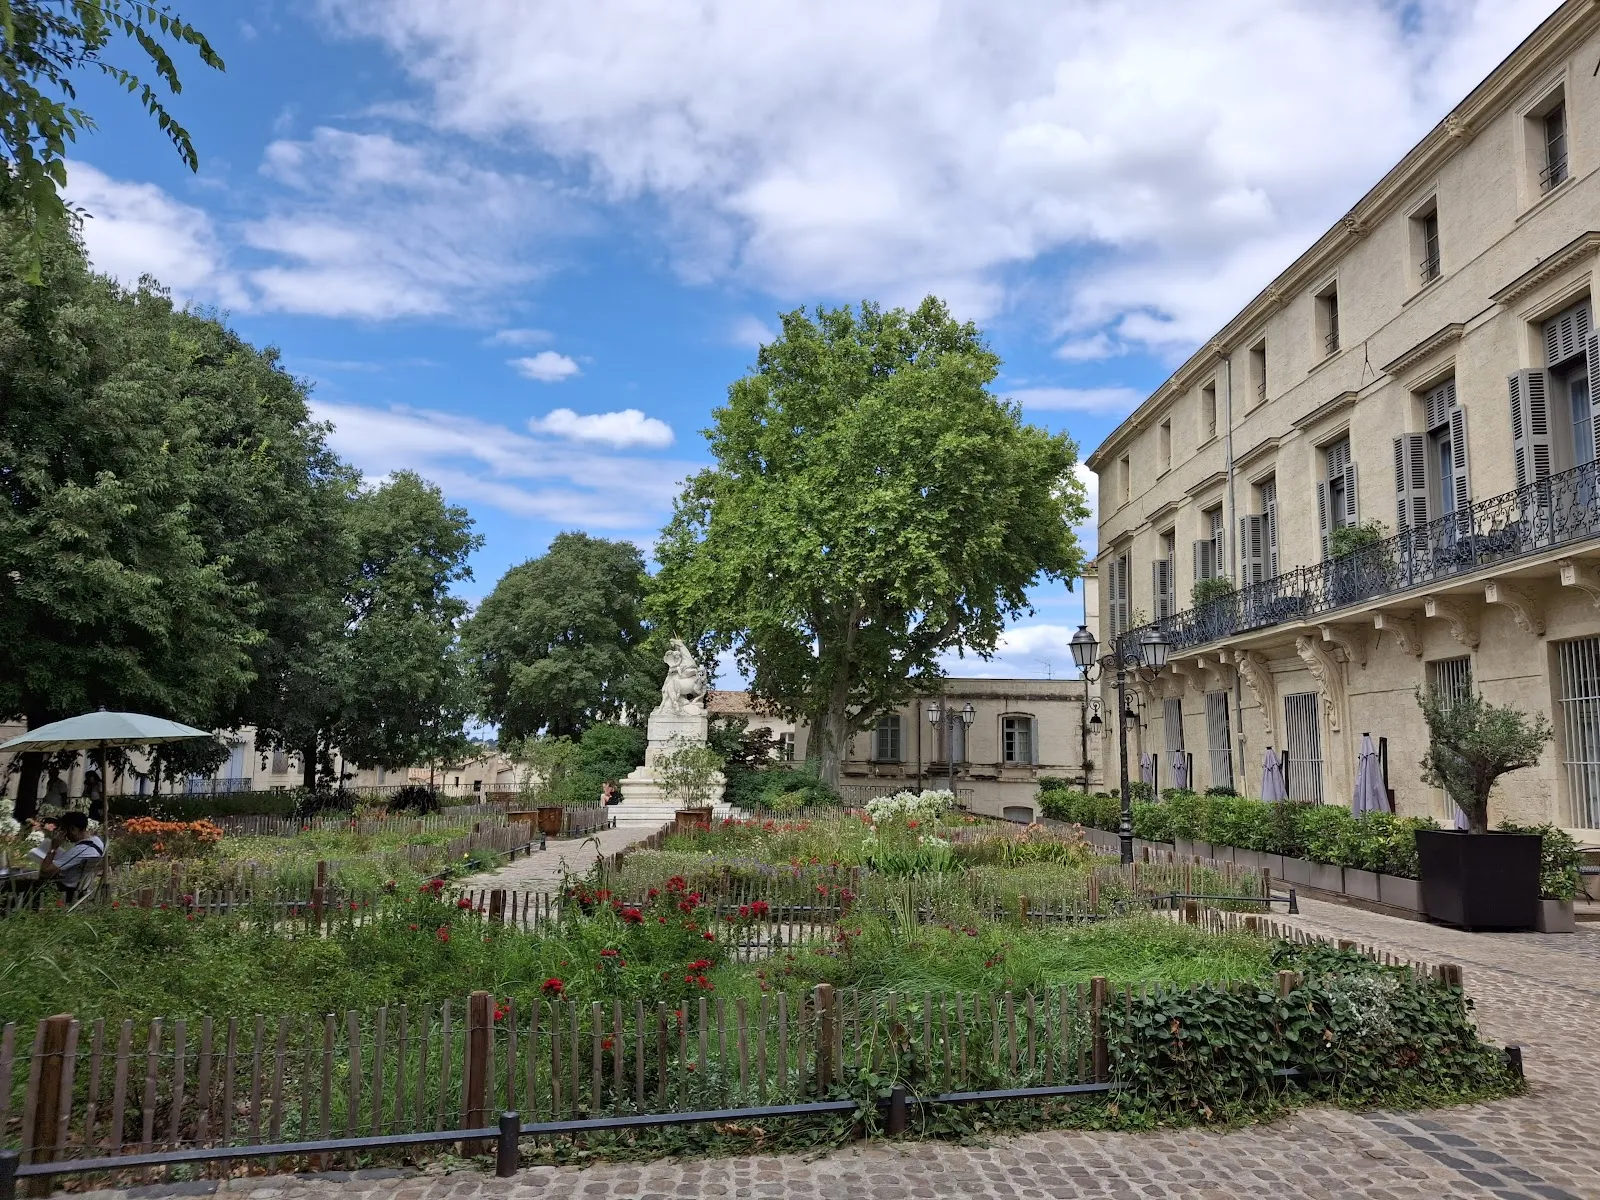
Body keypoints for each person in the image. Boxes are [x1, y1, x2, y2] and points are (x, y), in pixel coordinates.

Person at [36, 812, 105, 900]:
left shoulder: (79, 850)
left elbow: (45, 871)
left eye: (63, 830)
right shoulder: (97, 841)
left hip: (67, 891)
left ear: (72, 829)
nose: (62, 833)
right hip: (84, 888)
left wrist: (53, 848)